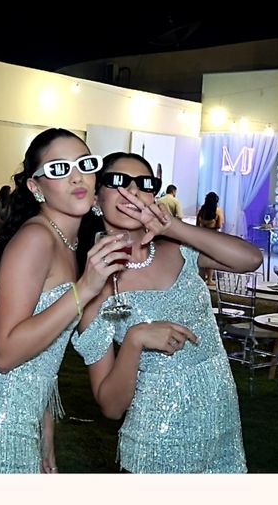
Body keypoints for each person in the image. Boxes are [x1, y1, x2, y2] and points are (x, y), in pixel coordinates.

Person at [0, 131, 124, 472]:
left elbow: (42, 353)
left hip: (22, 413)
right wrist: (85, 288)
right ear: (35, 187)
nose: (76, 176)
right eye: (59, 169)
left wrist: (44, 424)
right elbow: (4, 354)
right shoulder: (36, 239)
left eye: (84, 164)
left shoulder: (66, 242)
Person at [71, 153, 259, 473]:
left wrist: (173, 226)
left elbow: (250, 259)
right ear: (95, 199)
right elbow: (111, 407)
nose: (132, 191)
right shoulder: (95, 293)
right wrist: (134, 340)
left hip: (222, 426)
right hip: (157, 444)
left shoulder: (181, 251)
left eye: (144, 184)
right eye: (117, 181)